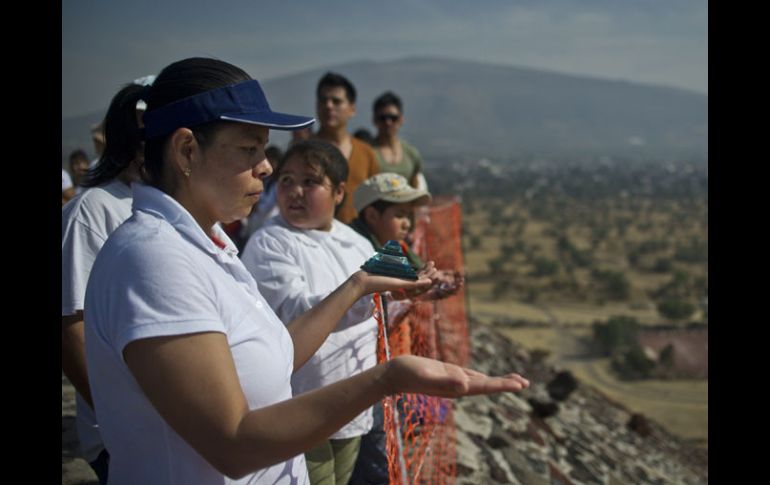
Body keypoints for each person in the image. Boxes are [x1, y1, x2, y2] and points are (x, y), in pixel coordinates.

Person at [83, 57, 529, 485]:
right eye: (249, 148)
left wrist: (360, 285)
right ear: (186, 150)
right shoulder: (154, 261)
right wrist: (388, 378)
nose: (267, 166)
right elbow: (231, 443)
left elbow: (277, 353)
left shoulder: (207, 245)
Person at [241, 139, 426, 484]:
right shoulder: (270, 242)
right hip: (300, 402)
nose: (295, 191)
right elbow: (293, 311)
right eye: (286, 180)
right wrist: (362, 292)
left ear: (339, 192)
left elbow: (377, 313)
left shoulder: (355, 242)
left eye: (310, 181)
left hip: (351, 398)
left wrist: (410, 296)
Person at [348, 172, 464, 484]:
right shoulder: (360, 254)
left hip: (380, 373)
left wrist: (421, 293)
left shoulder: (388, 251)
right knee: (376, 463)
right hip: (365, 378)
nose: (408, 224)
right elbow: (373, 315)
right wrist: (416, 294)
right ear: (372, 214)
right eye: (399, 214)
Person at [62, 80, 148, 484]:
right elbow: (70, 324)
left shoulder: (175, 203)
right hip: (126, 439)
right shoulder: (92, 209)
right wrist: (115, 419)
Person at [313, 72, 379, 224]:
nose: (329, 106)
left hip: (359, 240)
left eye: (336, 101)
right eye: (323, 100)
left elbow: (377, 200)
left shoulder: (366, 153)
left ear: (352, 109)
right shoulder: (303, 153)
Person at [371, 91, 428, 191]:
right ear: (374, 120)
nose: (388, 122)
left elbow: (416, 188)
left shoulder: (411, 153)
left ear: (401, 119)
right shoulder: (367, 152)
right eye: (383, 118)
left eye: (393, 118)